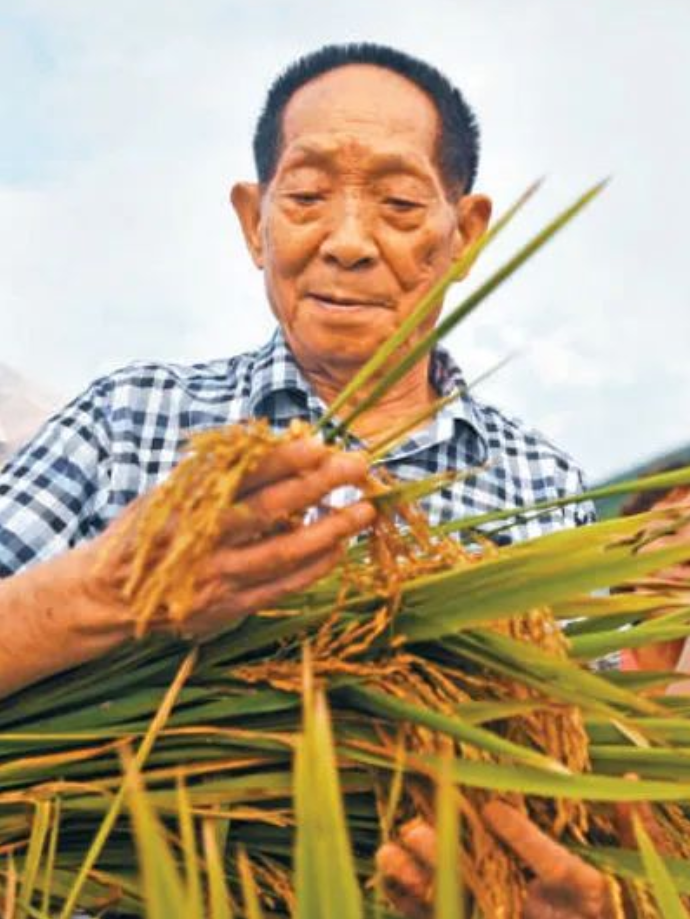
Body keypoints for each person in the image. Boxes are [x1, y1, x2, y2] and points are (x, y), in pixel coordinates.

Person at [0, 43, 602, 917]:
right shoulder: (130, 422)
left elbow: (592, 807)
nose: (349, 242)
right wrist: (109, 591)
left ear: (465, 234)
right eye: (309, 197)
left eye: (398, 204)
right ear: (255, 222)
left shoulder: (543, 491)